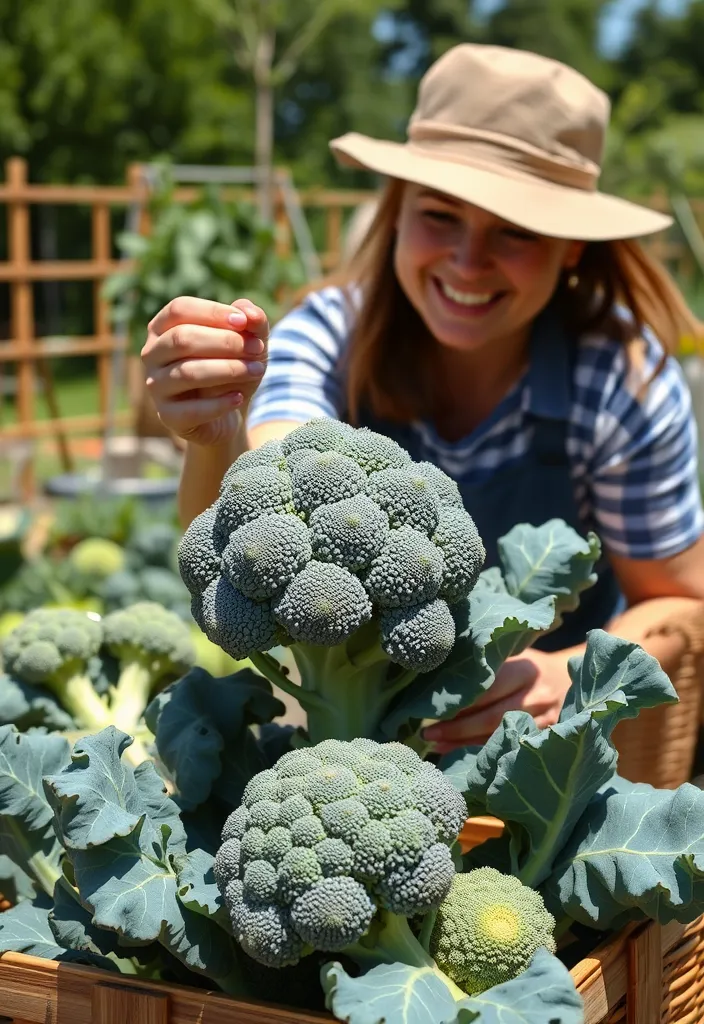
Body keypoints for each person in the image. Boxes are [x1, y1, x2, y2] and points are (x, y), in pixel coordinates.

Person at [141, 44, 704, 752]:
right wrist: (216, 432)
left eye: (515, 231)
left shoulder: (618, 377)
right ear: (397, 214)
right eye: (440, 215)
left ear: (571, 249)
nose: (468, 262)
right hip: (358, 757)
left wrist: (575, 673)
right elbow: (268, 492)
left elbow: (682, 596)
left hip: (550, 760)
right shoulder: (331, 333)